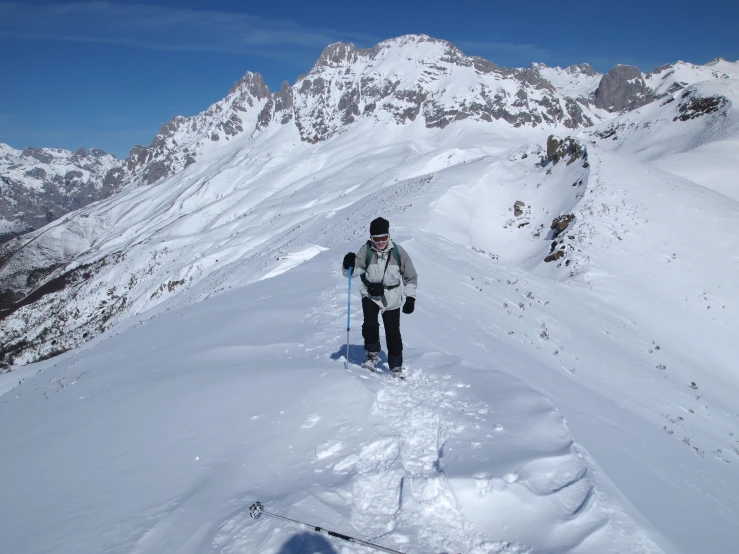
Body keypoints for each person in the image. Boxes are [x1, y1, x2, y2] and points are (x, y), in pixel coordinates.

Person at [342, 217, 417, 373]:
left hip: (392, 297)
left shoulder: (398, 252)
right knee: (370, 326)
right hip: (370, 295)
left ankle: (396, 366)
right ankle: (372, 355)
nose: (381, 242)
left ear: (389, 236)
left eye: (384, 237)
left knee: (393, 333)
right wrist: (347, 264)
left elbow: (410, 277)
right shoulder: (366, 251)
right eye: (377, 239)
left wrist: (410, 298)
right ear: (371, 238)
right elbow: (351, 273)